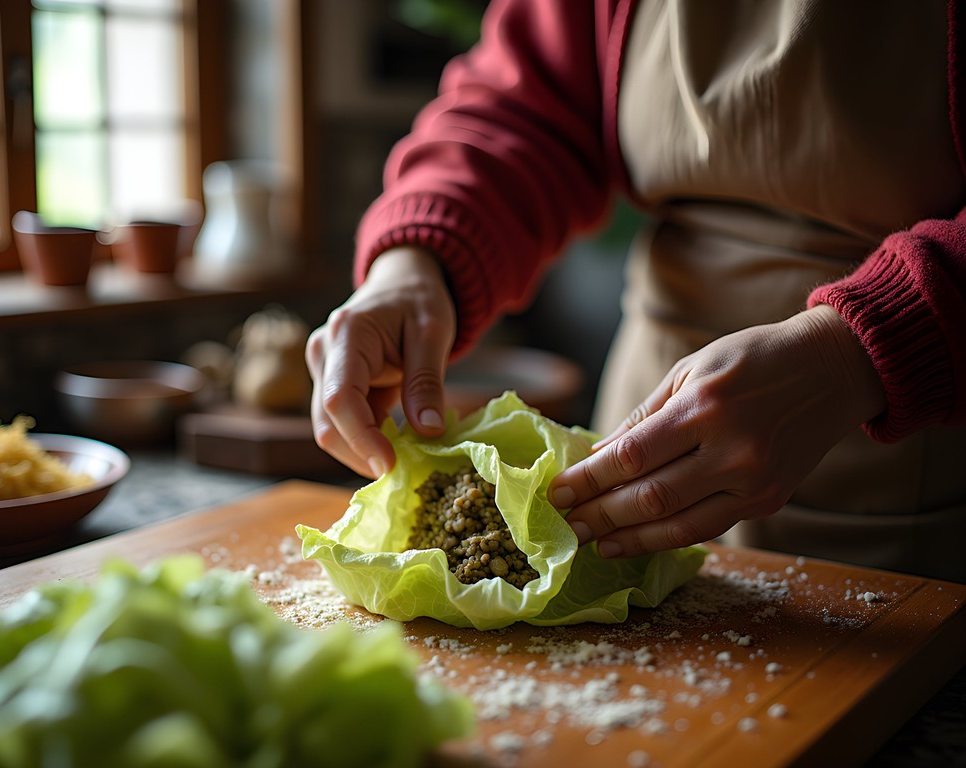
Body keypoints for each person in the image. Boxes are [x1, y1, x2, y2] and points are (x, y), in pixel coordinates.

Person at [306, 0, 966, 582]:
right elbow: (526, 105)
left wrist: (855, 353)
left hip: (904, 479)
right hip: (639, 444)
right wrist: (418, 263)